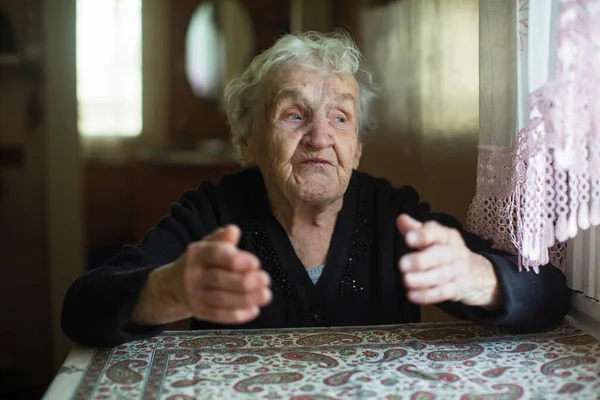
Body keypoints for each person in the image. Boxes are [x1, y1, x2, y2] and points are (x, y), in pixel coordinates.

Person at [62, 31, 570, 348]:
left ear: (358, 145)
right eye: (293, 115)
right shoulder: (212, 213)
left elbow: (547, 295)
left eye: (340, 117)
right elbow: (81, 309)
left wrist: (481, 279)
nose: (321, 137)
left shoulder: (394, 214)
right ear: (248, 138)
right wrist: (166, 289)